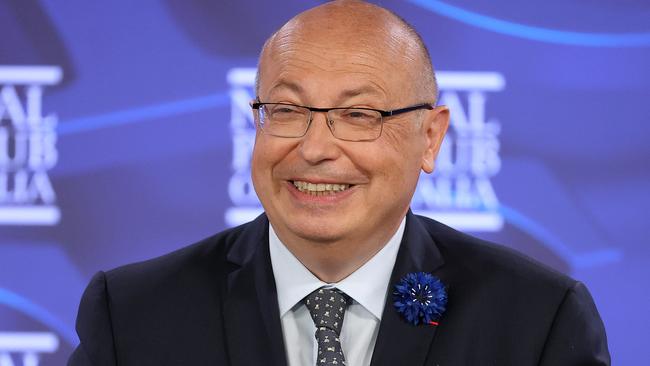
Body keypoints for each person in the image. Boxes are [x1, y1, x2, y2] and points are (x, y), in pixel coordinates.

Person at [68, 1, 610, 365]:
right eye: (286, 109)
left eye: (359, 115)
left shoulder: (537, 320)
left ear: (431, 136)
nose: (315, 148)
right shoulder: (132, 314)